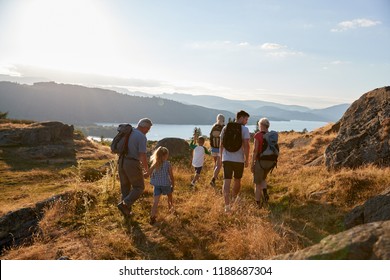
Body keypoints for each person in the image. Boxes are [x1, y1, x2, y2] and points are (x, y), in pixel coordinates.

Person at [117, 118, 153, 217]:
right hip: (132, 163)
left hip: (121, 161)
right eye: (148, 129)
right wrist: (146, 169)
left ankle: (126, 212)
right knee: (139, 187)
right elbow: (142, 155)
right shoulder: (141, 137)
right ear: (145, 127)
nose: (148, 131)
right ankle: (124, 205)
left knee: (125, 188)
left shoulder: (130, 132)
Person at [219, 110, 250, 212]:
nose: (246, 122)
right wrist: (247, 159)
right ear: (240, 118)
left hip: (226, 159)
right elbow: (246, 145)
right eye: (246, 119)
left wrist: (220, 157)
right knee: (237, 180)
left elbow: (221, 144)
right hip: (238, 160)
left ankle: (227, 206)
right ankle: (233, 198)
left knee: (226, 181)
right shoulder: (244, 129)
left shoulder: (225, 127)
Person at [148, 146, 175, 224]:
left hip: (156, 185)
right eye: (167, 155)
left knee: (155, 202)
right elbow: (171, 176)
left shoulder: (155, 163)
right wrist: (173, 185)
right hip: (166, 184)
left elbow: (149, 173)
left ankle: (152, 217)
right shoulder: (167, 164)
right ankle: (171, 210)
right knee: (169, 197)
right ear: (165, 155)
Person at [251, 118, 274, 208]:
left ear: (261, 125)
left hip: (260, 161)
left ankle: (258, 204)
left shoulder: (258, 135)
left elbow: (255, 151)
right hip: (270, 162)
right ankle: (265, 194)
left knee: (257, 183)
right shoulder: (271, 135)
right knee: (263, 178)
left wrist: (253, 163)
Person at [209, 114, 225, 187]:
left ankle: (215, 175)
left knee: (216, 163)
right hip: (220, 148)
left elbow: (210, 137)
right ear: (223, 120)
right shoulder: (223, 128)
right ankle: (213, 179)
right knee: (218, 165)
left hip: (213, 148)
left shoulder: (213, 127)